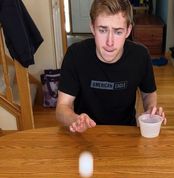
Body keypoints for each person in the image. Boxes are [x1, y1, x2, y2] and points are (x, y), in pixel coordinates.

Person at [56, 0, 166, 133]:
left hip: (126, 133)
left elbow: (148, 94)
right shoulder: (75, 54)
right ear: (92, 27)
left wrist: (151, 110)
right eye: (102, 30)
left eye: (118, 32)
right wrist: (75, 119)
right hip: (85, 134)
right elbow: (62, 107)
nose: (110, 42)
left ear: (128, 31)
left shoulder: (140, 55)